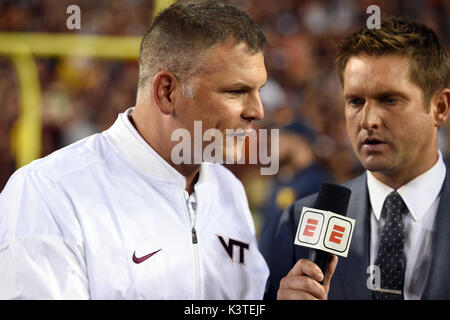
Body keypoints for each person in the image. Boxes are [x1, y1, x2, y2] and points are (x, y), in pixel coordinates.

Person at [0, 0, 269, 299]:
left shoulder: (228, 190)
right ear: (167, 92)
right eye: (236, 91)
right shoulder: (48, 192)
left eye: (259, 91)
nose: (256, 111)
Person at [264, 18, 450, 300]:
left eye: (390, 99)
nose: (368, 120)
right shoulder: (300, 219)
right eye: (355, 101)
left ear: (439, 107)